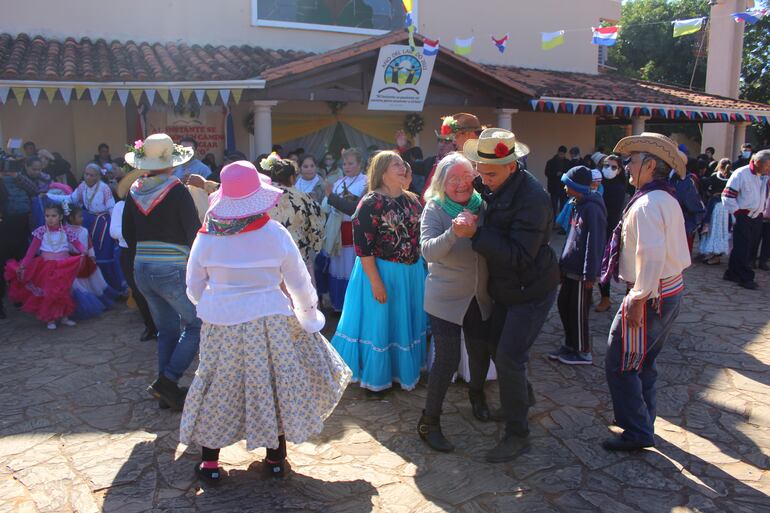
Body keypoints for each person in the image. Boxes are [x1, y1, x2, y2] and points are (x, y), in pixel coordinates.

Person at [181, 160, 351, 482]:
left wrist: (214, 303)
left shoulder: (206, 236)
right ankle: (275, 460)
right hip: (270, 320)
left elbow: (193, 286)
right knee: (272, 385)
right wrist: (309, 315)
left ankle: (211, 465)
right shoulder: (275, 233)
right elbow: (300, 282)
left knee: (219, 385)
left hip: (222, 324)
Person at [455, 128, 560, 463]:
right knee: (494, 346)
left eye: (490, 174)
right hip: (508, 287)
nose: (482, 180)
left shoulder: (533, 198)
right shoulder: (500, 186)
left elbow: (518, 255)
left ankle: (518, 434)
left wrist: (477, 233)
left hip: (531, 289)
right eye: (480, 172)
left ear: (512, 167)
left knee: (510, 357)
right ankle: (522, 398)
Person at [600, 132, 691, 451]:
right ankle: (644, 421)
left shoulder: (649, 203)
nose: (626, 166)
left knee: (621, 362)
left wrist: (637, 299)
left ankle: (637, 430)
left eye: (631, 161)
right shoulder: (664, 197)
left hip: (651, 294)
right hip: (668, 289)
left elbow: (650, 255)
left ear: (651, 164)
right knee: (644, 362)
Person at [330, 151, 427, 393]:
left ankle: (399, 371)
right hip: (381, 272)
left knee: (402, 323)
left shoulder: (413, 201)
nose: (403, 168)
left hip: (411, 274)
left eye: (403, 164)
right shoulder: (370, 203)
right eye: (396, 165)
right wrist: (376, 282)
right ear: (382, 171)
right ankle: (378, 376)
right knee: (380, 324)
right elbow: (363, 248)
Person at [418, 152, 494, 453]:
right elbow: (428, 251)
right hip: (445, 297)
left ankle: (477, 397)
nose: (461, 184)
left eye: (466, 177)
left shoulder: (483, 204)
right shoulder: (435, 209)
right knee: (446, 360)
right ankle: (429, 422)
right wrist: (453, 233)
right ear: (442, 183)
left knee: (480, 351)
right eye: (453, 180)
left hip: (480, 294)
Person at [122, 133, 202, 410]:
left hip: (141, 266)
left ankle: (165, 393)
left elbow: (126, 233)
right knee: (197, 324)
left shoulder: (134, 191)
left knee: (166, 328)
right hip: (171, 267)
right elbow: (193, 231)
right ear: (171, 161)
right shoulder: (177, 190)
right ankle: (168, 381)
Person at [550, 166, 607, 366]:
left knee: (578, 312)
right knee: (564, 306)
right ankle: (570, 344)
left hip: (582, 274)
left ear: (577, 187)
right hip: (570, 269)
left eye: (568, 185)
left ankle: (583, 351)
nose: (565, 188)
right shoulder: (577, 204)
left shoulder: (592, 208)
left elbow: (595, 242)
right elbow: (571, 238)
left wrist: (589, 274)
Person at [4, 203, 86, 329]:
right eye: (47, 216)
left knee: (64, 291)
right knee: (49, 292)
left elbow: (77, 243)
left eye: (53, 216)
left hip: (64, 266)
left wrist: (83, 250)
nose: (50, 219)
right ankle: (50, 318)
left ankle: (64, 316)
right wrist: (24, 264)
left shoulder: (67, 230)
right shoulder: (41, 231)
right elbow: (32, 250)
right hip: (46, 267)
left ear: (60, 217)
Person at [316, 147, 368, 312]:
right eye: (344, 163)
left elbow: (355, 208)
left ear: (360, 164)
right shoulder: (338, 182)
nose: (347, 166)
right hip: (337, 231)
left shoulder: (365, 182)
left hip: (354, 231)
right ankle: (338, 305)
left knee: (352, 267)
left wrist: (332, 198)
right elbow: (326, 206)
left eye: (351, 163)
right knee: (338, 267)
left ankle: (355, 307)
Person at [112, 170, 158, 341]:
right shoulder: (120, 206)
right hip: (130, 252)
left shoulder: (154, 204)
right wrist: (138, 234)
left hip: (152, 251)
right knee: (138, 291)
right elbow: (114, 231)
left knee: (156, 289)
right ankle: (150, 326)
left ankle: (162, 325)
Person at [262, 155, 325, 275]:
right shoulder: (303, 197)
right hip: (296, 252)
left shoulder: (262, 197)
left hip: (269, 255)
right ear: (292, 178)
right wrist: (314, 245)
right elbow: (317, 226)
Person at [722, 150, 770, 290]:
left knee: (747, 247)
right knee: (744, 248)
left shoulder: (764, 176)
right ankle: (745, 277)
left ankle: (732, 272)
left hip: (757, 216)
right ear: (757, 162)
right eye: (767, 166)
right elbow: (727, 196)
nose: (768, 169)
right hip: (743, 215)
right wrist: (737, 213)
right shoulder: (741, 174)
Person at [70, 163, 121, 291]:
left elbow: (111, 208)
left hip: (102, 224)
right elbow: (71, 199)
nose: (88, 177)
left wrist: (116, 226)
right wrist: (49, 196)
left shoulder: (105, 188)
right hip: (87, 221)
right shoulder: (82, 187)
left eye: (91, 175)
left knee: (102, 254)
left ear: (98, 177)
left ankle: (111, 286)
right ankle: (93, 286)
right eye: (86, 174)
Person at [67, 204, 121, 320]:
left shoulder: (84, 231)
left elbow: (89, 244)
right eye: (79, 216)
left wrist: (92, 255)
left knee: (93, 282)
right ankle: (81, 305)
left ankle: (97, 302)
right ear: (71, 218)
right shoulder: (66, 231)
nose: (82, 218)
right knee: (79, 284)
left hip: (86, 260)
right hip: (73, 261)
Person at [0, 159, 34, 319]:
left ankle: (11, 301)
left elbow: (33, 190)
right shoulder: (19, 180)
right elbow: (34, 190)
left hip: (10, 228)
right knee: (18, 264)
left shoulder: (17, 180)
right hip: (18, 227)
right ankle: (18, 299)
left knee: (10, 265)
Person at [596, 154, 627, 313]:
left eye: (613, 167)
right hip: (595, 227)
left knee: (605, 264)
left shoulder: (618, 187)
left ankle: (605, 298)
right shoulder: (597, 182)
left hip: (609, 229)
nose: (609, 169)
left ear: (620, 169)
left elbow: (612, 210)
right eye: (606, 165)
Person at [699, 159, 732, 265]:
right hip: (726, 208)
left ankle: (714, 254)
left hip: (715, 207)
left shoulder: (714, 176)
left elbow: (707, 188)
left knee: (713, 230)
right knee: (721, 231)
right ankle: (715, 254)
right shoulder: (732, 176)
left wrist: (714, 193)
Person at [545, 145, 570, 217]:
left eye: (563, 154)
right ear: (558, 152)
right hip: (554, 187)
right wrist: (555, 174)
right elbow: (547, 173)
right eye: (561, 154)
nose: (562, 155)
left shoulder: (567, 162)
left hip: (564, 187)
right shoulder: (550, 162)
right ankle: (553, 223)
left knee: (564, 206)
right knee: (553, 206)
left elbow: (569, 173)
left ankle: (561, 224)